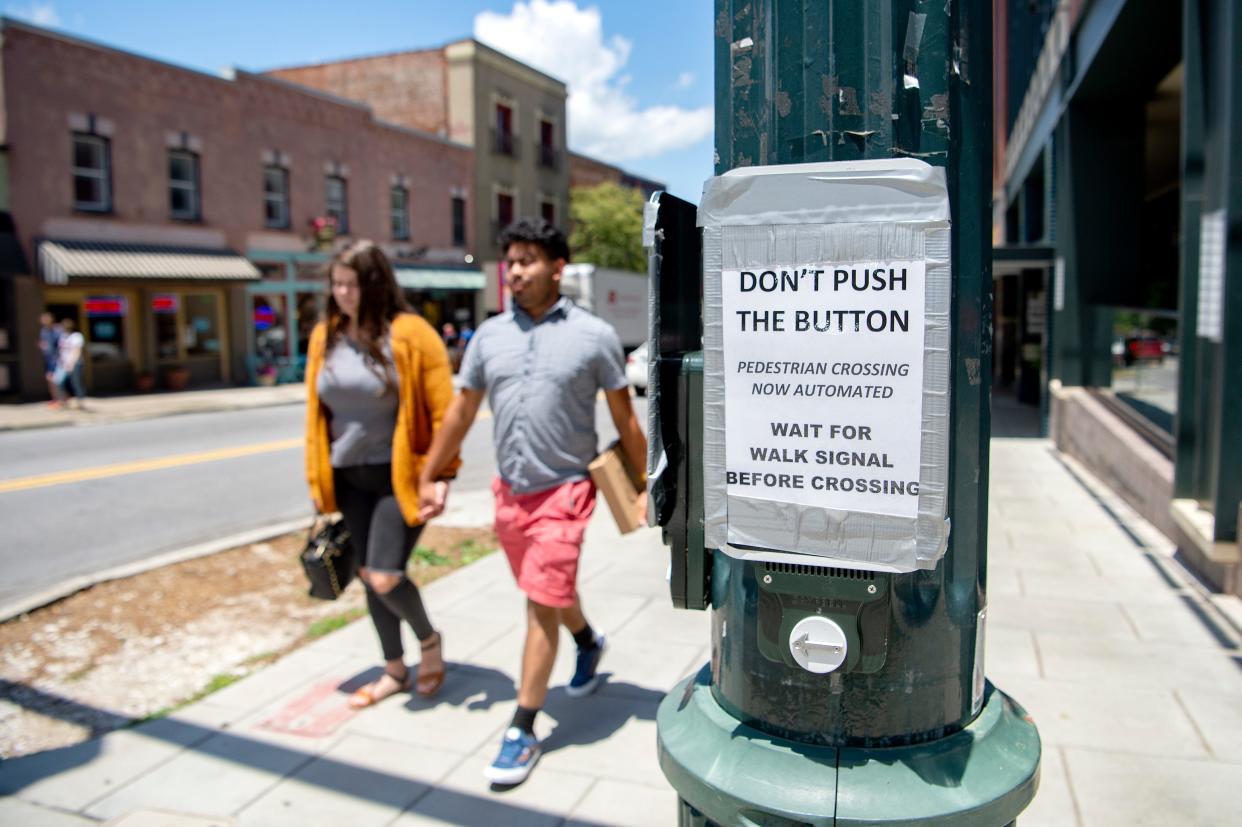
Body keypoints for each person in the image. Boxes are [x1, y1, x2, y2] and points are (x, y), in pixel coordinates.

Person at [417, 217, 647, 785]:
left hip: (566, 492)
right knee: (545, 589)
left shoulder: (594, 336)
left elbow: (624, 418)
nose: (514, 272)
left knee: (539, 603)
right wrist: (429, 473)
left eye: (526, 261)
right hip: (510, 494)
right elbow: (461, 411)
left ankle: (522, 727)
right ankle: (589, 642)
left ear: (557, 267)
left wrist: (643, 488)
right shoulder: (489, 336)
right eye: (510, 262)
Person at [304, 240, 461, 708]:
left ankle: (429, 643)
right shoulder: (325, 336)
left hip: (401, 477)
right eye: (336, 285)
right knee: (367, 574)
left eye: (351, 285)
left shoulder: (410, 333)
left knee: (386, 575)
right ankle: (394, 668)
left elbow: (442, 412)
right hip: (347, 475)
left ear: (374, 285)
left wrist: (441, 475)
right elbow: (317, 415)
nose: (343, 294)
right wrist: (318, 481)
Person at [54, 318, 86, 409]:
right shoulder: (62, 336)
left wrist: (71, 363)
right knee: (58, 381)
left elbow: (77, 351)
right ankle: (63, 401)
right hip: (63, 364)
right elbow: (61, 350)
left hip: (75, 363)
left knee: (76, 383)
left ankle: (80, 403)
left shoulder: (76, 336)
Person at [37, 313, 62, 406]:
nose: (43, 322)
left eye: (45, 319)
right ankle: (56, 399)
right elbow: (42, 342)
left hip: (57, 359)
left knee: (55, 379)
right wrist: (41, 345)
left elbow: (62, 344)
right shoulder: (43, 331)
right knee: (50, 378)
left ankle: (60, 399)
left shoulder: (57, 330)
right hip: (48, 358)